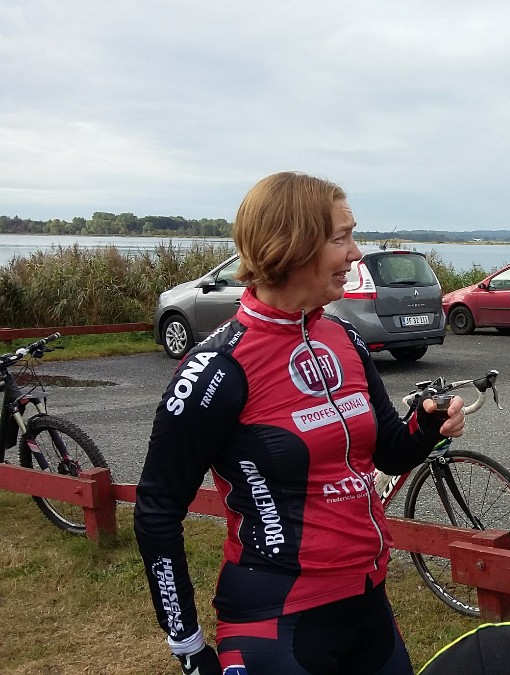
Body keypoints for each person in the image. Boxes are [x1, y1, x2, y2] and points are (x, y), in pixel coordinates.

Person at [133, 171, 465, 675]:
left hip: (367, 603)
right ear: (293, 246)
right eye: (342, 238)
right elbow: (157, 511)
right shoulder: (217, 369)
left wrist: (426, 425)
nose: (356, 253)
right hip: (276, 617)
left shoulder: (345, 339)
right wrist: (187, 645)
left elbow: (389, 453)